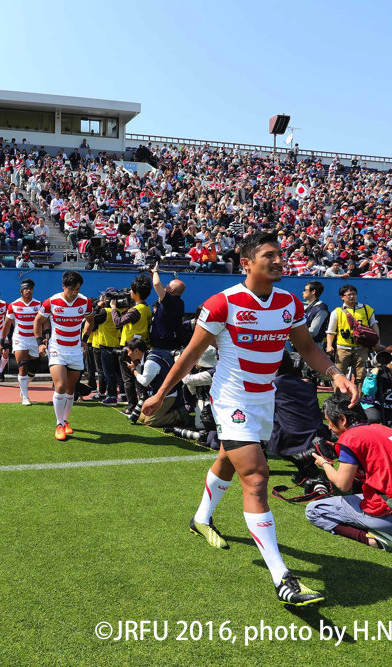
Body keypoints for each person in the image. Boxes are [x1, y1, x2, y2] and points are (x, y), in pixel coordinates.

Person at [141, 231, 358, 607]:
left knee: (228, 459)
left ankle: (201, 519)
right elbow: (190, 355)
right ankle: (282, 578)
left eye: (280, 254)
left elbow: (307, 347)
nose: (278, 260)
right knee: (256, 476)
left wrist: (334, 373)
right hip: (231, 400)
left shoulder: (289, 302)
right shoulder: (222, 304)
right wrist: (160, 394)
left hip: (264, 399)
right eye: (269, 255)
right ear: (246, 263)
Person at [305, 394, 392, 560]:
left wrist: (324, 463)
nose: (330, 427)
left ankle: (372, 539)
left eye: (329, 421)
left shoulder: (350, 438)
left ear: (342, 419)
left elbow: (342, 484)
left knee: (314, 510)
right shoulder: (383, 429)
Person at [34, 271, 94, 441]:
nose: (75, 292)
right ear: (63, 286)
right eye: (72, 289)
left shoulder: (85, 302)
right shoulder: (51, 302)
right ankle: (59, 424)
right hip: (57, 349)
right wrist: (39, 343)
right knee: (60, 386)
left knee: (70, 390)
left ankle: (66, 421)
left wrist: (85, 340)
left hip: (75, 350)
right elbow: (37, 321)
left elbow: (90, 320)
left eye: (78, 289)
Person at [111, 274, 154, 418]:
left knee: (128, 379)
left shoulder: (136, 310)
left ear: (136, 293)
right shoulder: (146, 307)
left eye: (131, 290)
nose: (129, 292)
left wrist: (113, 308)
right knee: (138, 377)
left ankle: (132, 407)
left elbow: (118, 322)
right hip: (141, 347)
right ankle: (141, 405)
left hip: (129, 348)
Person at [326, 284, 379, 385]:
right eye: (349, 294)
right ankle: (338, 395)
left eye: (354, 294)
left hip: (362, 347)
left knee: (361, 376)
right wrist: (329, 345)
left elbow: (374, 325)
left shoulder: (366, 309)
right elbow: (330, 331)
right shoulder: (336, 312)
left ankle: (359, 395)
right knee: (339, 375)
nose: (352, 296)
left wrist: (377, 341)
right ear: (342, 297)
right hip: (342, 348)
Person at [3, 279, 42, 405]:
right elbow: (7, 324)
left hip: (34, 340)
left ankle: (23, 387)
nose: (28, 291)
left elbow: (44, 321)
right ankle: (25, 397)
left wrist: (44, 337)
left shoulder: (39, 304)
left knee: (33, 370)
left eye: (30, 289)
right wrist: (2, 339)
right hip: (20, 339)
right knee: (23, 366)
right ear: (21, 291)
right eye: (26, 289)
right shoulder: (13, 305)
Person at [124, 338, 179, 426]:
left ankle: (178, 415)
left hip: (167, 395)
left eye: (128, 351)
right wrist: (136, 367)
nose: (128, 354)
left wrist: (133, 370)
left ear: (136, 351)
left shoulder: (150, 362)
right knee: (142, 418)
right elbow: (147, 374)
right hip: (156, 394)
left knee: (150, 421)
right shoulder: (147, 356)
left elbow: (144, 382)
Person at [148, 264, 186, 359]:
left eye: (168, 284)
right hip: (171, 345)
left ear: (172, 290)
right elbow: (160, 287)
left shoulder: (170, 301)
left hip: (161, 348)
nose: (166, 285)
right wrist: (153, 275)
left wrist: (155, 271)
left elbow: (157, 285)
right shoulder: (179, 302)